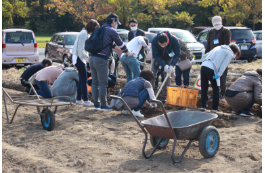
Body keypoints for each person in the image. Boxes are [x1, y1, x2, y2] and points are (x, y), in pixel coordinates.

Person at [89, 13, 133, 111]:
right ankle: (104, 105)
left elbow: (110, 44)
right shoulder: (111, 30)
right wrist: (127, 52)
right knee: (103, 83)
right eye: (117, 22)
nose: (117, 24)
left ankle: (96, 104)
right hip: (101, 59)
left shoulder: (98, 29)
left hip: (92, 57)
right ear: (113, 21)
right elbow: (120, 43)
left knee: (95, 82)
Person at [200, 43, 241, 113]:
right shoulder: (230, 53)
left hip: (203, 66)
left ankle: (203, 106)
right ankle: (215, 108)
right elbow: (224, 65)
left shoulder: (218, 47)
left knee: (204, 87)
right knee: (216, 88)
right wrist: (219, 74)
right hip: (212, 68)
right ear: (235, 51)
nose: (235, 56)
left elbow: (206, 55)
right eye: (236, 54)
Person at [72, 19, 99, 107]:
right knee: (84, 80)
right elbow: (80, 49)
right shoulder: (84, 34)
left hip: (79, 58)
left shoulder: (83, 32)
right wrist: (86, 58)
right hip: (79, 58)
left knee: (82, 79)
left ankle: (79, 99)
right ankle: (86, 100)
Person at [206, 16, 231, 99]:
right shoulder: (211, 32)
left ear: (221, 22)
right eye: (215, 24)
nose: (217, 26)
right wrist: (206, 55)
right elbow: (208, 44)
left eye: (218, 23)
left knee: (222, 76)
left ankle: (222, 93)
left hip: (222, 57)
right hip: (212, 57)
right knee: (213, 76)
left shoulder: (225, 31)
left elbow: (227, 44)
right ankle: (215, 93)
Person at [151, 31, 180, 103]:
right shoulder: (154, 40)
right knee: (152, 75)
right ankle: (150, 96)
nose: (163, 46)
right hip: (157, 58)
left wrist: (172, 65)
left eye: (164, 45)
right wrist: (164, 65)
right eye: (161, 45)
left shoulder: (174, 40)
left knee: (167, 77)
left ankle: (164, 97)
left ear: (167, 40)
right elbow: (155, 55)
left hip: (169, 58)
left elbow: (177, 54)